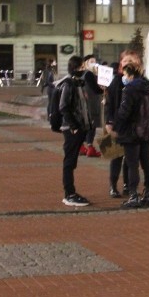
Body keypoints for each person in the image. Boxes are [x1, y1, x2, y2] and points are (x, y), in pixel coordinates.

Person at [112, 62, 149, 209]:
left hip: (131, 131)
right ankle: (148, 193)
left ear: (130, 75)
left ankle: (133, 196)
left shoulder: (130, 89)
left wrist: (116, 124)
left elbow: (124, 112)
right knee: (147, 163)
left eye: (125, 75)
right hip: (146, 130)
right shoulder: (148, 86)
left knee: (132, 165)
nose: (123, 78)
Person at [58, 55, 95, 207]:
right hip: (72, 129)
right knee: (69, 161)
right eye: (81, 67)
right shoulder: (68, 84)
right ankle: (69, 193)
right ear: (75, 68)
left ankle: (71, 192)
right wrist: (73, 126)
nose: (83, 70)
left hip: (80, 128)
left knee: (72, 162)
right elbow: (63, 107)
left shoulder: (79, 83)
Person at [105, 53, 136, 198]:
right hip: (116, 125)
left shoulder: (137, 80)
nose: (128, 63)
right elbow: (109, 104)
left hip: (131, 126)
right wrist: (109, 122)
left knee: (130, 159)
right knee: (115, 156)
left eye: (130, 60)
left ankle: (128, 185)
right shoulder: (116, 81)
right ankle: (113, 186)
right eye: (125, 60)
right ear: (120, 64)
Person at [79, 54, 103, 157]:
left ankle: (82, 147)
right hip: (91, 104)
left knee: (86, 126)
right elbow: (96, 89)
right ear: (86, 63)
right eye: (91, 61)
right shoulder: (89, 74)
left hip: (86, 104)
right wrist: (103, 88)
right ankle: (90, 147)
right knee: (91, 126)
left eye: (95, 61)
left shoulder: (84, 74)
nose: (94, 63)